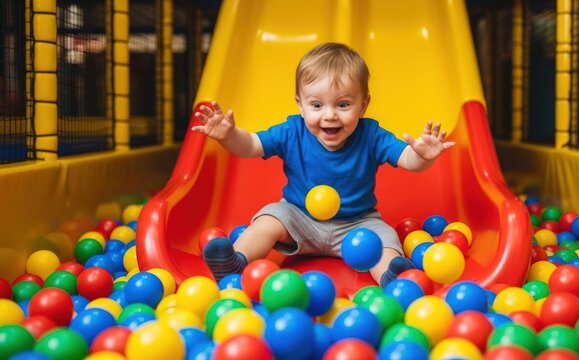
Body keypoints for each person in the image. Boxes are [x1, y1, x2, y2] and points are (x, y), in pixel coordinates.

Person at [191, 42, 455, 287]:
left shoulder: (372, 135)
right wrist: (229, 136)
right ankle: (236, 262)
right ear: (301, 105)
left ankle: (392, 277)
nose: (330, 115)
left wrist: (423, 156)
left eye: (343, 104)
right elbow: (249, 146)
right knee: (270, 217)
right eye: (316, 105)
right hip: (299, 218)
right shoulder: (291, 131)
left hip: (356, 223)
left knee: (383, 239)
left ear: (363, 105)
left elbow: (407, 160)